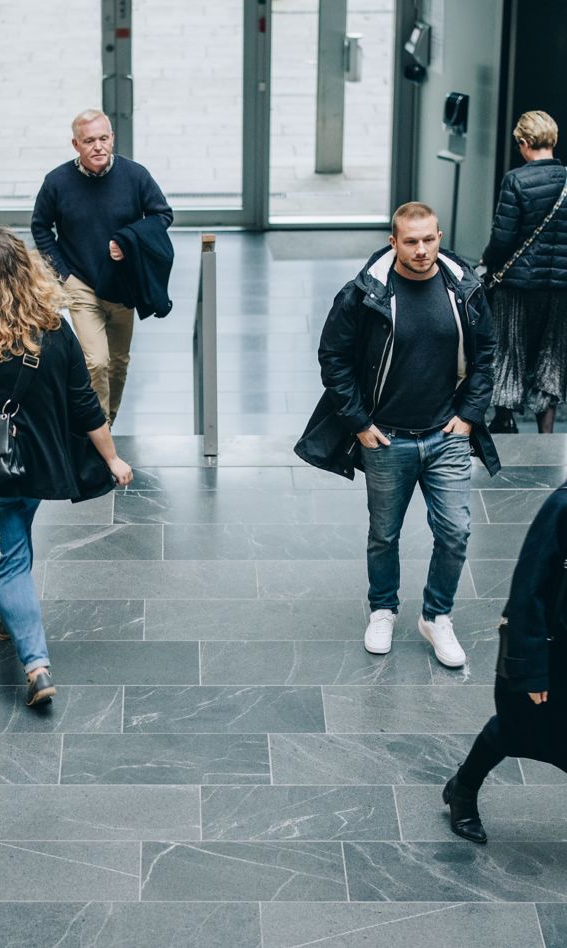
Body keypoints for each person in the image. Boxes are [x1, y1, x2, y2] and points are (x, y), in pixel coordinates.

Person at [0, 227, 133, 706]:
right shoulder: (55, 330)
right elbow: (84, 406)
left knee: (10, 560)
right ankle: (6, 610)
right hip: (38, 467)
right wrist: (113, 458)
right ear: (27, 269)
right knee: (15, 542)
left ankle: (37, 666)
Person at [295, 202, 500, 666]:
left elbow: (486, 352)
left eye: (429, 239)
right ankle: (383, 608)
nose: (422, 250)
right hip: (387, 438)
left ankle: (436, 615)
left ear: (439, 236)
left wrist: (468, 414)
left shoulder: (464, 288)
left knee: (456, 531)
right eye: (411, 241)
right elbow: (334, 358)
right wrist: (360, 424)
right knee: (384, 534)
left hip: (446, 433)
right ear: (394, 242)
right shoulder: (365, 293)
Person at [31, 109, 173, 425]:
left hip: (122, 284)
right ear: (75, 144)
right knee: (95, 362)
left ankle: (106, 422)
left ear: (112, 138)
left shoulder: (135, 176)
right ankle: (97, 431)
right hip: (79, 283)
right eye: (89, 140)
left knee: (118, 363)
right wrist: (62, 275)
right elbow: (41, 226)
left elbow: (162, 215)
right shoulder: (57, 182)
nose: (98, 146)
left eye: (103, 138)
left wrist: (129, 240)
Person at [443, 483, 567, 843]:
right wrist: (531, 670)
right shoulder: (562, 507)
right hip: (552, 650)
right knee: (517, 728)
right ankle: (463, 788)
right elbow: (528, 590)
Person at [482, 110, 567, 434]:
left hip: (518, 284)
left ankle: (504, 418)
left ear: (526, 142)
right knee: (553, 354)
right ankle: (546, 431)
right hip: (560, 286)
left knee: (509, 349)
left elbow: (503, 239)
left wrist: (487, 262)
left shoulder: (516, 180)